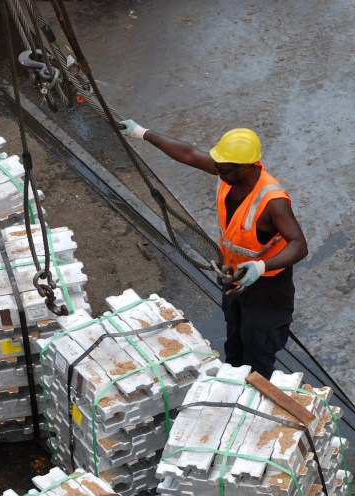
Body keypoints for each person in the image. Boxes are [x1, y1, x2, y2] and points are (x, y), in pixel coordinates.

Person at [119, 121, 308, 377]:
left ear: (244, 167)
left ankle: (256, 394)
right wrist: (141, 133)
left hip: (267, 288)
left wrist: (261, 266)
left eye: (223, 168)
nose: (216, 170)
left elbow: (299, 245)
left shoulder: (272, 201)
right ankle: (231, 380)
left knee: (259, 347)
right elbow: (189, 154)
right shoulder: (228, 172)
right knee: (235, 338)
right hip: (233, 276)